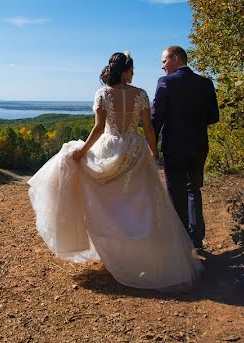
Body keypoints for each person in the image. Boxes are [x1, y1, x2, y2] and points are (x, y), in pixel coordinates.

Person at [27, 52, 203, 291]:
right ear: (125, 70)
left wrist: (82, 152)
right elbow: (149, 128)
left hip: (109, 147)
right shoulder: (140, 94)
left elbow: (99, 128)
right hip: (135, 149)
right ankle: (137, 254)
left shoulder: (102, 94)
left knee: (108, 203)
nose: (133, 74)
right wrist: (153, 152)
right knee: (138, 203)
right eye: (132, 70)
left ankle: (115, 255)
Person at [151, 46, 219, 250]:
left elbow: (156, 117)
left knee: (175, 193)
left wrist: (150, 142)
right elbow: (214, 117)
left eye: (164, 61)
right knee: (193, 190)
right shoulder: (205, 83)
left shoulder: (166, 82)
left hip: (174, 146)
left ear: (176, 58)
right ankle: (196, 239)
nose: (162, 66)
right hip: (199, 146)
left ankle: (179, 241)